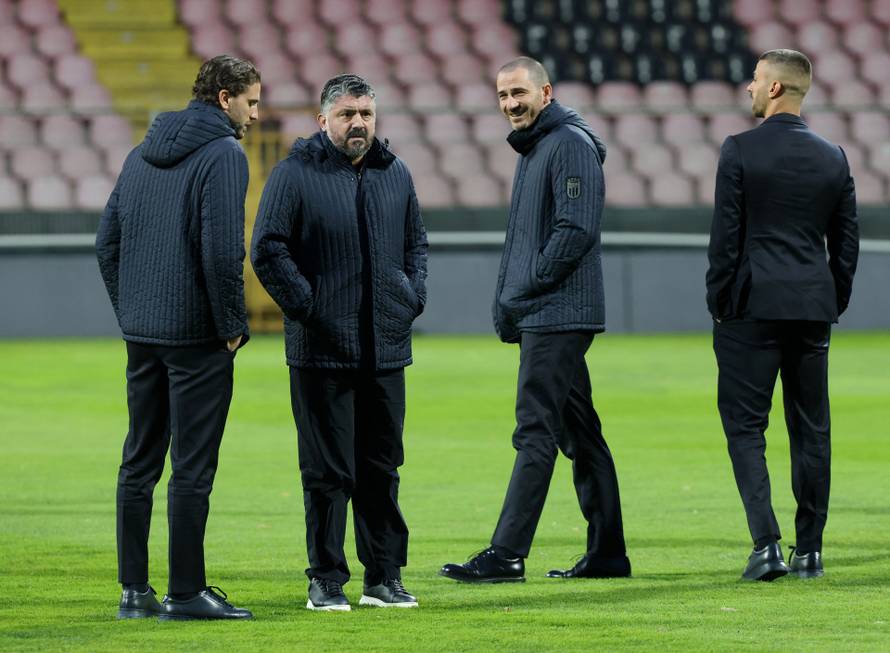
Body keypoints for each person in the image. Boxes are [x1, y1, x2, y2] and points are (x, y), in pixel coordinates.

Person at [440, 56, 630, 583]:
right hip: (548, 310)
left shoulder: (567, 143)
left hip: (557, 312)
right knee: (581, 434)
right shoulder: (541, 145)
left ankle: (507, 553)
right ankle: (608, 552)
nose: (510, 104)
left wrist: (524, 289)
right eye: (502, 96)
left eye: (519, 92)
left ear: (546, 91)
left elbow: (574, 230)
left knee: (535, 430)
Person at [251, 74, 428, 611]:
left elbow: (415, 243)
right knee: (327, 472)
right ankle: (326, 579)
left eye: (367, 114)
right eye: (348, 114)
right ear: (322, 119)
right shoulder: (294, 174)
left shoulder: (395, 173)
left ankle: (384, 575)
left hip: (385, 348)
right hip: (321, 350)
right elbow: (267, 249)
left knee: (382, 466)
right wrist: (308, 308)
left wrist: (410, 296)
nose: (359, 123)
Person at [96, 54, 260, 620]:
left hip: (143, 336)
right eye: (252, 102)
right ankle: (186, 592)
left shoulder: (139, 153)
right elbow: (221, 252)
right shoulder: (223, 154)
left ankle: (134, 593)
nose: (255, 115)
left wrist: (133, 314)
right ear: (225, 98)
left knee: (138, 461)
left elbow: (106, 243)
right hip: (196, 338)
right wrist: (231, 328)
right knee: (192, 467)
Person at [706, 49, 859, 581]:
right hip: (811, 309)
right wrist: (830, 299)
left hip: (751, 308)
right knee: (811, 430)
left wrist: (721, 305)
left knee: (746, 428)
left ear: (775, 88)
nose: (748, 88)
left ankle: (766, 545)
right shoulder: (834, 156)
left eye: (754, 80)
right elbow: (846, 244)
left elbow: (725, 240)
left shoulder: (740, 150)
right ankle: (810, 551)